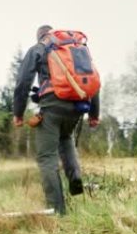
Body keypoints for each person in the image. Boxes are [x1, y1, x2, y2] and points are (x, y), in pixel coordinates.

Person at [13, 25, 100, 215]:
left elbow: (23, 82)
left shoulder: (39, 48)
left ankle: (57, 211)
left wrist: (18, 113)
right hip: (77, 107)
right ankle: (75, 176)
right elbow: (92, 80)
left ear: (39, 37)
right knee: (65, 137)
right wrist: (94, 114)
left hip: (52, 107)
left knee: (46, 158)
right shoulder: (76, 49)